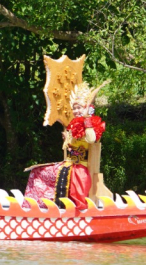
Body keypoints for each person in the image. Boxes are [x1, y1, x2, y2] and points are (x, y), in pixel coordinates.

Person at [24, 81, 107, 210]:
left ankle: (71, 208)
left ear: (88, 107)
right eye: (75, 108)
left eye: (80, 107)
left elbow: (91, 139)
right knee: (38, 171)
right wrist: (66, 138)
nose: (76, 110)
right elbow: (67, 148)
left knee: (75, 183)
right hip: (68, 164)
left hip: (80, 166)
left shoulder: (92, 123)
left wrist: (87, 121)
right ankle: (37, 206)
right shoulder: (73, 124)